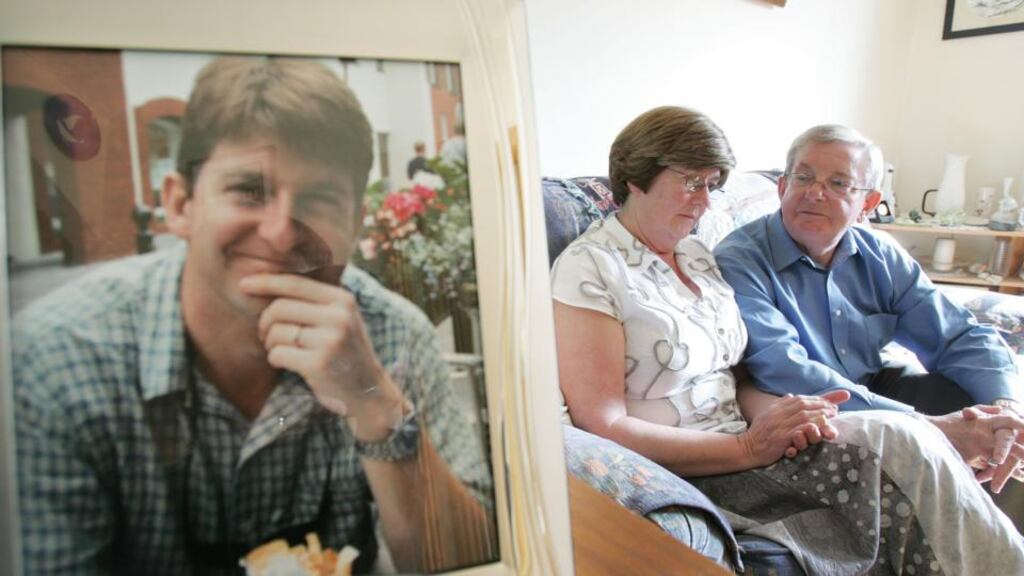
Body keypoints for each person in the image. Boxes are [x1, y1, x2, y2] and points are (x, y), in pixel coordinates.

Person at [13, 57, 495, 575]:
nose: (281, 233)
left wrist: (373, 403)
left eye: (317, 199)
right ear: (180, 205)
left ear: (356, 223)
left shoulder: (393, 335)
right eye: (248, 190)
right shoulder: (55, 362)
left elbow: (468, 562)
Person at [551, 106, 1024, 574]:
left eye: (712, 185)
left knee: (936, 436)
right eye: (691, 182)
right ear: (636, 177)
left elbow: (736, 378)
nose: (704, 203)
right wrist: (750, 448)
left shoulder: (695, 256)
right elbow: (602, 421)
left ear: (866, 200)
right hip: (712, 458)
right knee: (904, 436)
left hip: (765, 434)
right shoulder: (591, 267)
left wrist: (784, 417)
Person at [713, 124, 1024, 493]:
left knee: (995, 428)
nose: (815, 193)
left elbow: (958, 335)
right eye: (804, 177)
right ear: (783, 187)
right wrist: (927, 427)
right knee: (958, 438)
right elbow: (783, 368)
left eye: (839, 183)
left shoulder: (882, 254)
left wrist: (1005, 407)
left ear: (868, 205)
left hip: (877, 383)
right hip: (806, 413)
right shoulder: (740, 260)